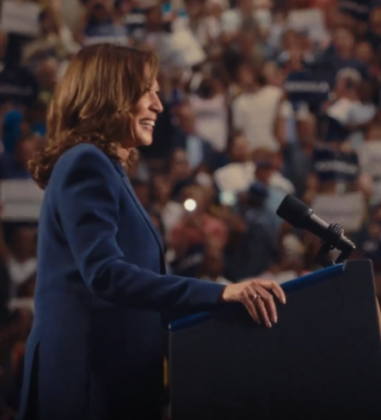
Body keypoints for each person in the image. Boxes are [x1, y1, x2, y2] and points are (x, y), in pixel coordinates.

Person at [18, 44, 286, 420]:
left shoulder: (104, 166)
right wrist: (221, 293)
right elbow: (106, 274)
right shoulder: (86, 162)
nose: (159, 105)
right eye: (148, 91)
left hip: (110, 379)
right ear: (111, 93)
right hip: (88, 383)